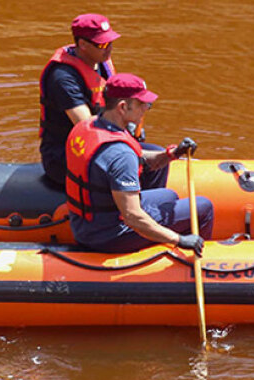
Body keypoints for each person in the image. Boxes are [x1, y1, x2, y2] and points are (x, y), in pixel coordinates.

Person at [65, 73, 212, 255]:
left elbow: (137, 156)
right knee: (203, 207)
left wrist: (172, 154)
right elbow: (132, 217)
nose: (146, 108)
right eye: (142, 104)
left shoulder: (88, 126)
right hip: (107, 236)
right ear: (123, 107)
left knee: (169, 195)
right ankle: (199, 260)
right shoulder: (120, 155)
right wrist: (179, 239)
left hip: (85, 224)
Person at [39, 14, 171, 191]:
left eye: (110, 42)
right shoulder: (63, 78)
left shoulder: (100, 61)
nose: (108, 48)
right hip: (66, 155)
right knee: (138, 161)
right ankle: (132, 212)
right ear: (83, 45)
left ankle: (144, 205)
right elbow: (86, 127)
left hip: (103, 142)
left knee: (156, 157)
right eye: (102, 44)